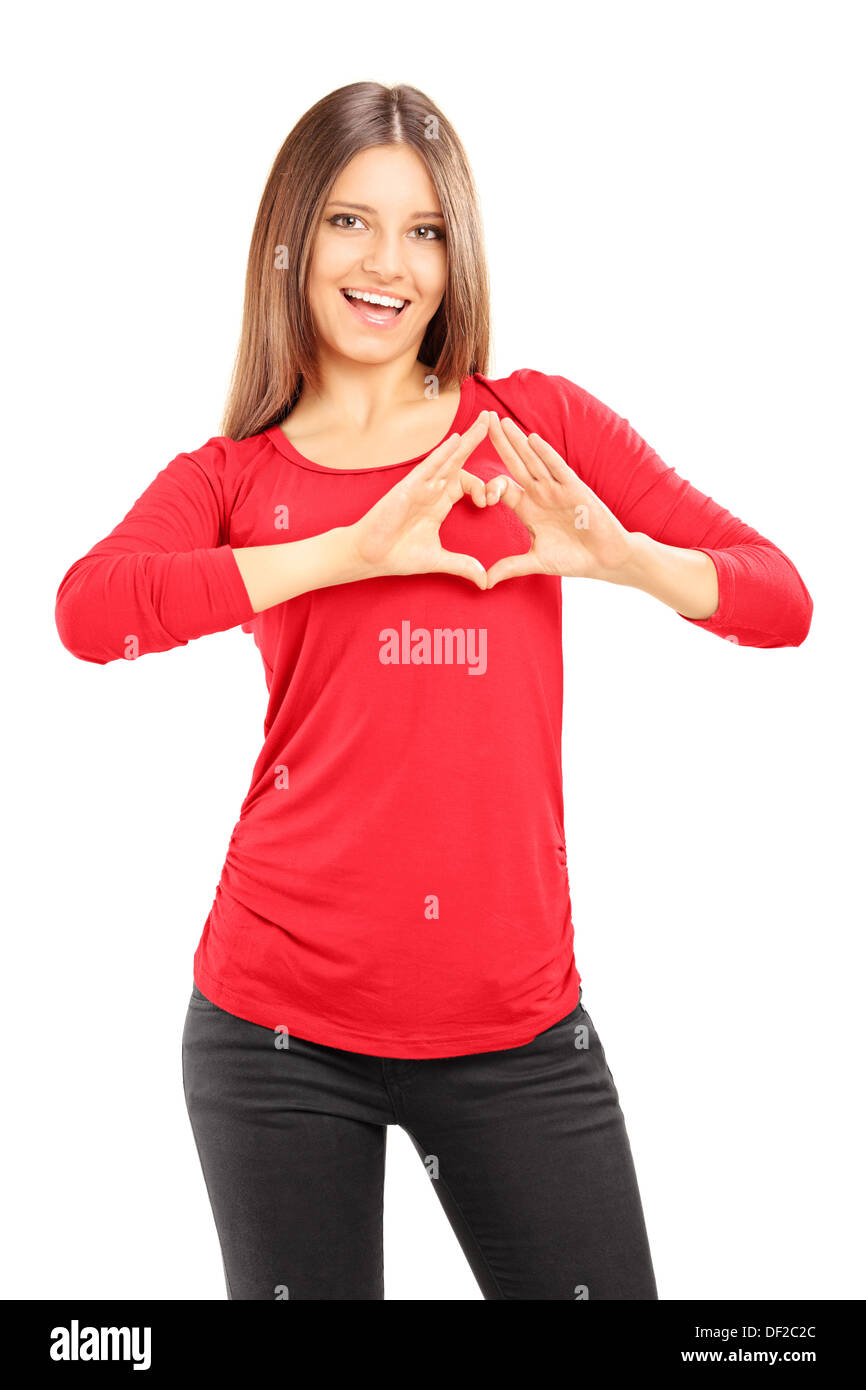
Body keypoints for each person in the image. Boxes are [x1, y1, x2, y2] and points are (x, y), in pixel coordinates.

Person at [54, 82, 813, 1301]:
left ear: (456, 257)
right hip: (273, 1030)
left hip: (517, 1032)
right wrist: (347, 549)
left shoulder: (532, 431)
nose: (387, 264)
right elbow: (91, 611)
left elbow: (779, 599)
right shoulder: (235, 476)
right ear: (293, 242)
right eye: (352, 222)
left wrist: (619, 556)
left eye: (424, 231)